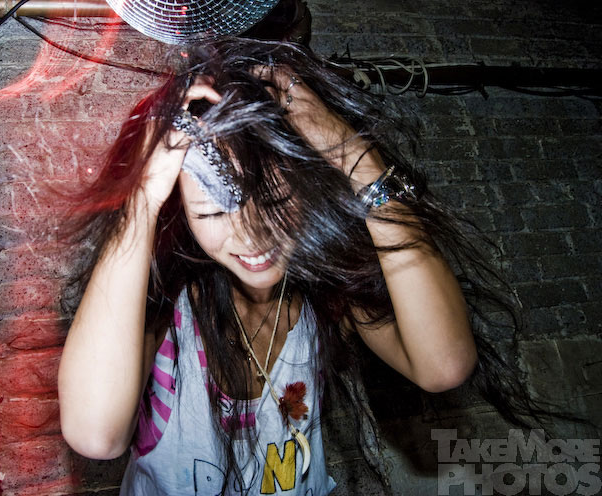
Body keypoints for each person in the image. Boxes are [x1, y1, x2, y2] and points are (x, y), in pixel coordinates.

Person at [56, 39, 512, 495]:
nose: (253, 237)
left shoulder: (327, 295)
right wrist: (141, 200)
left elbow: (444, 365)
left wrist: (356, 159)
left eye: (276, 201)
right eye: (214, 209)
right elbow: (95, 434)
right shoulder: (164, 305)